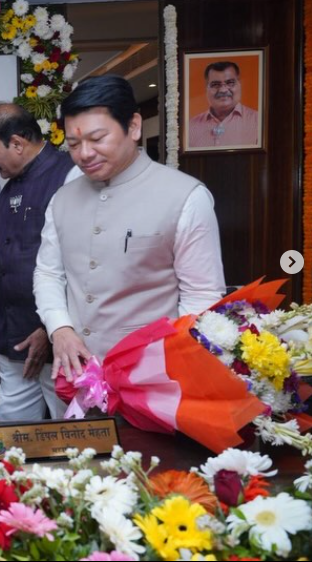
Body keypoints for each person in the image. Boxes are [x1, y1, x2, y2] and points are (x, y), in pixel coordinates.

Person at [35, 75, 226, 382]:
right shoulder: (63, 198)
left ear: (134, 127)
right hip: (76, 376)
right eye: (73, 143)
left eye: (97, 139)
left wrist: (177, 366)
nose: (84, 153)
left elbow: (201, 295)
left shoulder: (186, 197)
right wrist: (60, 328)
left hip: (152, 378)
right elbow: (47, 272)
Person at [0, 103, 79, 421]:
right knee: (11, 434)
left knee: (71, 432)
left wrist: (50, 329)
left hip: (58, 344)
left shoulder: (70, 177)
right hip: (13, 339)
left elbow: (81, 269)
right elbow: (3, 262)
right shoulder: (9, 185)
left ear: (18, 143)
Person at [188, 61, 259, 148]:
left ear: (239, 84)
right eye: (215, 84)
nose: (223, 90)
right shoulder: (190, 127)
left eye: (230, 83)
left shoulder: (259, 122)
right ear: (206, 88)